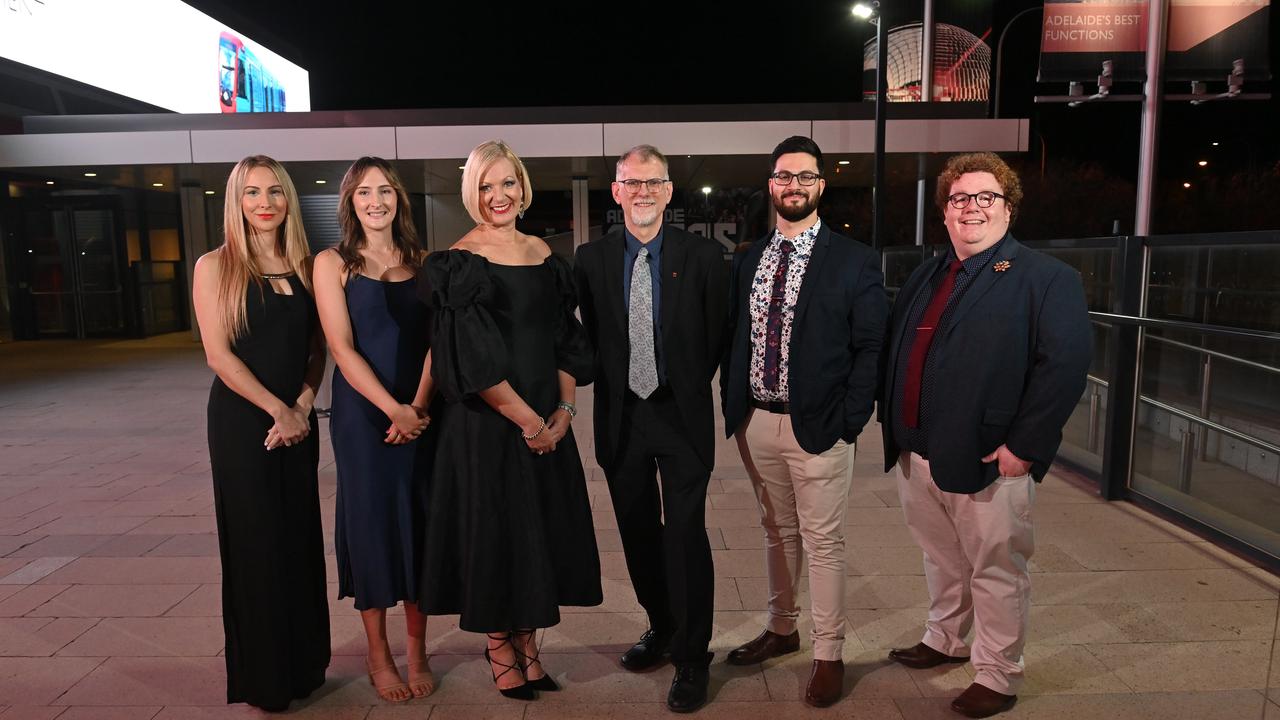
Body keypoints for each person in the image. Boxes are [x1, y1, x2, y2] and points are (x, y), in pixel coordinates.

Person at [879, 152, 1091, 718]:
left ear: (1008, 207)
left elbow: (1064, 367)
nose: (971, 208)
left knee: (997, 568)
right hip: (917, 452)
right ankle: (945, 639)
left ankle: (997, 674)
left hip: (989, 458)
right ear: (944, 212)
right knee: (942, 559)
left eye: (985, 197)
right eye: (959, 199)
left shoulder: (1047, 279)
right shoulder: (929, 273)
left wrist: (1026, 446)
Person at [416, 140, 602, 701]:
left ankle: (529, 646)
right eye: (487, 186)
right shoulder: (458, 261)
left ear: (522, 186)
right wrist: (528, 422)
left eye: (508, 183)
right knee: (495, 533)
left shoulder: (547, 256)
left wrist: (564, 412)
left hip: (547, 419)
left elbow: (565, 340)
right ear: (473, 192)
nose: (500, 196)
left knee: (536, 532)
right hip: (488, 425)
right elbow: (469, 360)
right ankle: (500, 649)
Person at [720, 136, 887, 708]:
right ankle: (782, 627)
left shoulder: (855, 259)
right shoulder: (747, 257)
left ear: (821, 185)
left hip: (820, 427)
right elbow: (733, 335)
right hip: (757, 423)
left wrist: (851, 420)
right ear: (772, 184)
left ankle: (829, 653)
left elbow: (871, 348)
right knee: (776, 529)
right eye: (784, 176)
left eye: (806, 176)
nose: (794, 186)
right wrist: (734, 406)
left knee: (823, 542)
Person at [574, 144, 727, 713]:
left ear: (668, 191)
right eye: (631, 183)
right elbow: (588, 339)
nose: (642, 192)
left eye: (653, 182)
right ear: (616, 192)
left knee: (684, 535)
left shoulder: (705, 257)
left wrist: (684, 384)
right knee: (638, 533)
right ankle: (661, 627)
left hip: (680, 416)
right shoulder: (590, 260)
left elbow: (716, 336)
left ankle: (692, 656)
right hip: (621, 419)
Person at [193, 155, 330, 712]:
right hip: (243, 424)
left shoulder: (305, 264)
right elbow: (218, 356)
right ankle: (265, 680)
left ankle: (303, 670)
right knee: (256, 547)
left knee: (297, 542)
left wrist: (301, 403)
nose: (265, 203)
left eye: (274, 192)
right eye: (252, 193)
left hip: (296, 421)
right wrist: (279, 409)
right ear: (236, 201)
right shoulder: (214, 266)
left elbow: (317, 351)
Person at [313, 157, 433, 703]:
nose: (376, 201)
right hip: (365, 417)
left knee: (418, 524)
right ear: (351, 202)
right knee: (371, 525)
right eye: (364, 193)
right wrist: (392, 409)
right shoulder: (332, 262)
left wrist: (418, 407)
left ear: (398, 199)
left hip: (422, 412)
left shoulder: (424, 261)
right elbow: (340, 346)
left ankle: (418, 650)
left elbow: (437, 342)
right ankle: (379, 653)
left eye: (385, 191)